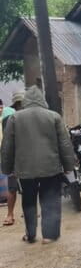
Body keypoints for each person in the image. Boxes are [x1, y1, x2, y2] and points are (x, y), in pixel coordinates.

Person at [0, 86, 75, 244]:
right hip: (51, 167)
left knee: (28, 201)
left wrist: (6, 168)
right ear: (42, 100)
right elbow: (65, 144)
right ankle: (49, 235)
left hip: (25, 169)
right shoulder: (54, 116)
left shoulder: (15, 118)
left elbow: (7, 146)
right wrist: (69, 165)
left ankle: (31, 234)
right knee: (50, 200)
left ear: (25, 101)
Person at [1, 91, 23, 227]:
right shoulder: (7, 120)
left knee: (26, 186)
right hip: (16, 158)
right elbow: (7, 142)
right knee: (13, 188)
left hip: (25, 157)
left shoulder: (30, 118)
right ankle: (10, 214)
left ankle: (27, 211)